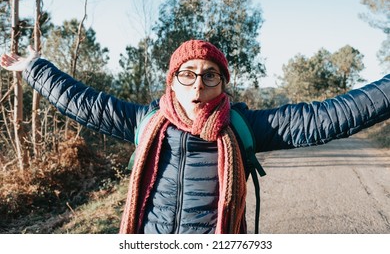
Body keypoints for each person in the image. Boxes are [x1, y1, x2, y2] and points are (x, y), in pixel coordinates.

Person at [1, 39, 390, 234]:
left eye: (209, 75)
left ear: (222, 83)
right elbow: (84, 102)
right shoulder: (146, 121)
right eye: (186, 73)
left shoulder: (243, 128)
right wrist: (35, 68)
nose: (197, 85)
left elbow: (327, 116)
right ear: (172, 81)